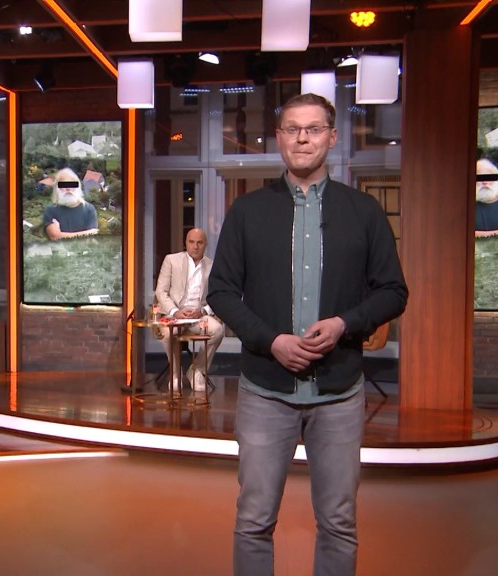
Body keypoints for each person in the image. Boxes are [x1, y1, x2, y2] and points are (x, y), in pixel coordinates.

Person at [207, 94, 408, 576]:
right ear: (279, 139)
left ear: (332, 137)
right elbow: (222, 292)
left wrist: (343, 324)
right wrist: (271, 340)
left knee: (338, 523)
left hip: (339, 393)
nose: (303, 138)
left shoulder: (364, 212)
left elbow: (393, 292)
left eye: (314, 129)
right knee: (253, 520)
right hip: (264, 391)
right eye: (293, 129)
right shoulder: (247, 211)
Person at [154, 227, 226, 392]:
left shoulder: (212, 266)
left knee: (217, 330)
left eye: (199, 243)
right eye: (191, 242)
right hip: (175, 314)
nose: (195, 246)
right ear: (185, 243)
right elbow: (161, 291)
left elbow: (217, 296)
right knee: (168, 333)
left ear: (205, 245)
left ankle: (197, 370)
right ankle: (175, 373)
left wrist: (203, 311)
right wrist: (175, 311)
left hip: (198, 316)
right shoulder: (171, 260)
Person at [43, 167, 99, 240]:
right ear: (57, 189)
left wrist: (61, 235)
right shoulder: (51, 210)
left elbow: (91, 238)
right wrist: (88, 233)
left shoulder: (89, 209)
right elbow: (55, 237)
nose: (68, 188)